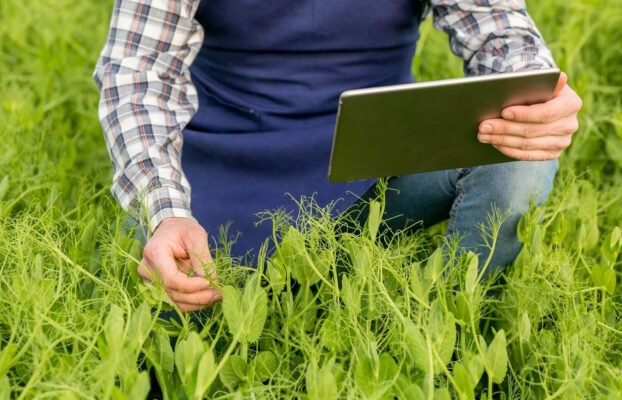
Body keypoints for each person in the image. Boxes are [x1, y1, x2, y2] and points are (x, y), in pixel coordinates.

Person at [94, 0, 582, 313]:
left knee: (523, 151)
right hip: (221, 178)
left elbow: (504, 37)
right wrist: (166, 211)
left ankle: (448, 332)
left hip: (380, 170)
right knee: (177, 315)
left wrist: (536, 94)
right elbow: (136, 77)